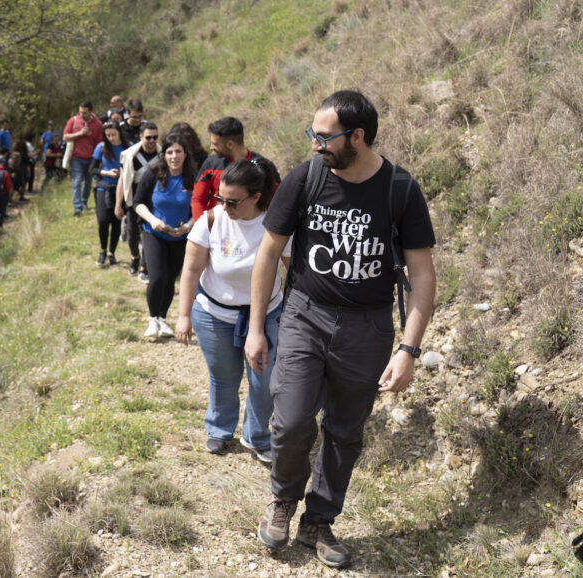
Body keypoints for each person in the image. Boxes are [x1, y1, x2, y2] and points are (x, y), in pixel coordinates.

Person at [246, 91, 436, 568]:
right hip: (305, 314)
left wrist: (409, 348)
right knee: (289, 422)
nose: (315, 145)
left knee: (345, 431)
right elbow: (268, 253)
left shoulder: (399, 189)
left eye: (324, 137)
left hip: (368, 327)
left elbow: (423, 274)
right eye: (312, 135)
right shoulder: (305, 177)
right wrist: (256, 328)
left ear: (358, 136)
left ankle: (319, 519)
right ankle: (284, 500)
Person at [175, 158, 289, 461]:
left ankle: (258, 435)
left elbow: (295, 270)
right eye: (219, 199)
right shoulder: (211, 221)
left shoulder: (275, 226)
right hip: (215, 313)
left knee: (264, 380)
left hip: (266, 312)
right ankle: (219, 429)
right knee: (223, 376)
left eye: (233, 202)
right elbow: (190, 270)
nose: (225, 207)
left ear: (256, 196)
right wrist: (184, 314)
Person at [133, 133, 196, 339]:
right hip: (154, 233)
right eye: (169, 152)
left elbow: (199, 210)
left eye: (178, 151)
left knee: (170, 280)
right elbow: (138, 203)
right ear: (164, 154)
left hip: (179, 237)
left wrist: (187, 226)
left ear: (185, 154)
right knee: (157, 277)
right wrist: (152, 220)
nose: (174, 156)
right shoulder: (152, 174)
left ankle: (162, 318)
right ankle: (152, 320)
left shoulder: (192, 178)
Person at [191, 116, 278, 222]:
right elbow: (198, 200)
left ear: (230, 144)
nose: (211, 148)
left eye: (215, 144)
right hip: (217, 232)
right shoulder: (210, 164)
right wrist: (202, 228)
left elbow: (277, 200)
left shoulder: (263, 167)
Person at [115, 121, 160, 281]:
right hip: (133, 201)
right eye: (148, 137)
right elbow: (122, 179)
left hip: (154, 203)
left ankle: (144, 266)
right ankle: (135, 257)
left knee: (149, 234)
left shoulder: (163, 155)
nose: (152, 141)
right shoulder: (128, 155)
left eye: (155, 137)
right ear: (141, 137)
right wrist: (118, 204)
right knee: (133, 235)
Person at [90, 121, 126, 266]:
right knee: (103, 221)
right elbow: (92, 169)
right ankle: (102, 250)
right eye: (108, 135)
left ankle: (112, 253)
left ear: (119, 133)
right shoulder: (101, 147)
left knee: (116, 221)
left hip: (121, 189)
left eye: (113, 134)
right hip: (103, 188)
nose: (111, 138)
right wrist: (106, 172)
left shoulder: (126, 147)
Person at [63, 101, 103, 216]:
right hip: (76, 157)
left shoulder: (98, 124)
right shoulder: (73, 121)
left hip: (91, 158)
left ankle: (84, 202)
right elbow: (65, 136)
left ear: (91, 111)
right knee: (76, 181)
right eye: (80, 112)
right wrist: (80, 133)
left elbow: (99, 143)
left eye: (84, 113)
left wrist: (98, 160)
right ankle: (77, 208)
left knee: (88, 182)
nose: (81, 114)